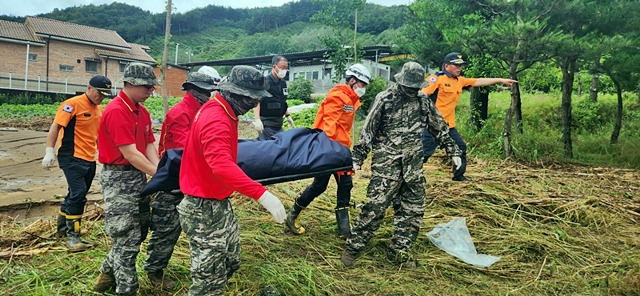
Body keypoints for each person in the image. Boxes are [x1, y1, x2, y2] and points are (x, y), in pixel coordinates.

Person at [177, 65, 286, 296]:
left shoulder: (224, 110)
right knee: (208, 282)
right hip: (202, 208)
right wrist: (262, 194)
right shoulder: (216, 118)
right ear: (235, 93)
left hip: (217, 201)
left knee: (231, 259)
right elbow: (221, 164)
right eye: (251, 99)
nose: (253, 105)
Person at [341, 61, 462, 268]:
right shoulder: (385, 99)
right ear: (401, 82)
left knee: (412, 210)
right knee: (375, 208)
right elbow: (368, 131)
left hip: (413, 166)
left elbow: (438, 126)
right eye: (409, 87)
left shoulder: (422, 100)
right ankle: (352, 247)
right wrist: (357, 158)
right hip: (387, 166)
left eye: (416, 88)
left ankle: (399, 251)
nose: (412, 91)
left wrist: (453, 150)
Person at [143, 72, 218, 290]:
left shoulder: (201, 112)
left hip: (192, 179)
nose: (209, 95)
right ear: (194, 90)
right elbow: (183, 152)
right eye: (205, 92)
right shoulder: (181, 114)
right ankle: (155, 271)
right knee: (167, 228)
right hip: (173, 181)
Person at [93, 62, 160, 296]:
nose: (151, 91)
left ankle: (106, 272)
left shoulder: (142, 111)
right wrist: (157, 175)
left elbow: (149, 144)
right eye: (147, 87)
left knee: (140, 230)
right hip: (118, 178)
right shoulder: (116, 111)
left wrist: (159, 171)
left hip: (137, 176)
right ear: (130, 84)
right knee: (125, 238)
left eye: (152, 87)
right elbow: (130, 154)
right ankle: (127, 289)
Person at [286, 64, 371, 237]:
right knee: (319, 185)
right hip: (330, 151)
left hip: (341, 150)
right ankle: (293, 214)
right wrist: (330, 151)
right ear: (352, 80)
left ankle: (344, 230)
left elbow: (343, 128)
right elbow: (329, 126)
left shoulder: (351, 99)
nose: (363, 88)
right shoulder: (337, 96)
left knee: (345, 185)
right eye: (362, 84)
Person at [41, 75, 112, 252]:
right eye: (99, 93)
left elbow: (96, 134)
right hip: (70, 156)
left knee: (75, 193)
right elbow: (55, 127)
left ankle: (62, 230)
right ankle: (74, 237)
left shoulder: (98, 108)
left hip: (89, 158)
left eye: (104, 95)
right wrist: (49, 151)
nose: (101, 97)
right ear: (89, 88)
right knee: (79, 194)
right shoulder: (72, 104)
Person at [421, 52, 517, 181]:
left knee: (460, 147)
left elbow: (479, 81)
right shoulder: (436, 79)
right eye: (456, 65)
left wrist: (500, 80)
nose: (459, 68)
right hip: (433, 126)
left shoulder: (460, 81)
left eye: (460, 65)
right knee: (424, 153)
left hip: (449, 125)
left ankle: (459, 176)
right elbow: (421, 95)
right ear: (446, 66)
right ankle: (409, 176)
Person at [253, 55, 294, 140]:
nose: (284, 70)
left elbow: (282, 100)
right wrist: (257, 120)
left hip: (279, 124)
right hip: (267, 124)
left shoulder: (283, 83)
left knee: (282, 146)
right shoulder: (265, 82)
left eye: (286, 68)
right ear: (274, 67)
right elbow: (257, 101)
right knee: (269, 149)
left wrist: (287, 115)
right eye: (282, 67)